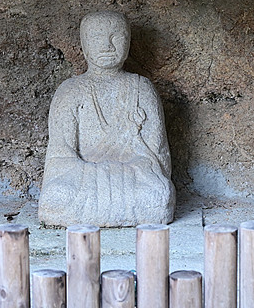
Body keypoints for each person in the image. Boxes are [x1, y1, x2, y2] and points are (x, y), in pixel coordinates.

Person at [38, 11, 175, 227]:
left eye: (116, 37)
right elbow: (60, 157)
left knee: (158, 194)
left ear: (128, 42)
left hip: (132, 177)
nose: (107, 45)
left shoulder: (142, 89)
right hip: (82, 178)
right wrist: (98, 175)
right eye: (96, 38)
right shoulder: (70, 91)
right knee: (57, 195)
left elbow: (157, 155)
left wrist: (124, 169)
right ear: (83, 45)